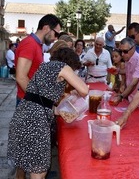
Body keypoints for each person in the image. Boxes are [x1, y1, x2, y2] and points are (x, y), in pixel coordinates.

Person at [7, 47, 89, 179]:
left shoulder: (45, 67)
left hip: (22, 114)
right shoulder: (63, 66)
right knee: (39, 171)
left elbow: (44, 99)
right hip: (36, 121)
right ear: (70, 62)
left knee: (23, 161)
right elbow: (84, 90)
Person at [15, 14, 62, 106]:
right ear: (46, 28)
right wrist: (40, 100)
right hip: (28, 102)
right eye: (56, 34)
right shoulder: (30, 44)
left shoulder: (37, 44)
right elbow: (21, 77)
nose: (56, 38)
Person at [110, 37, 139, 114]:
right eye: (120, 51)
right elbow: (129, 72)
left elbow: (133, 84)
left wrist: (121, 97)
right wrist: (118, 71)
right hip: (131, 99)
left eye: (125, 51)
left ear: (133, 48)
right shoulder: (127, 59)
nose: (122, 54)